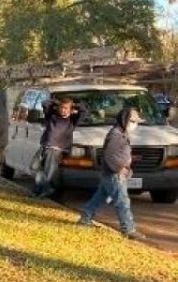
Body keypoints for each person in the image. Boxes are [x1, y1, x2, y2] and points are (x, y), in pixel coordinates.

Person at [77, 106, 147, 240]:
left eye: (136, 122)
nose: (135, 125)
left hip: (109, 174)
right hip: (114, 175)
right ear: (124, 120)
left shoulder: (121, 133)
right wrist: (119, 168)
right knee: (123, 202)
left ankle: (85, 218)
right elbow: (109, 155)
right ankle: (128, 229)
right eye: (132, 122)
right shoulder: (116, 134)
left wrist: (130, 159)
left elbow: (118, 153)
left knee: (98, 198)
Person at [33, 97, 80, 197]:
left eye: (66, 108)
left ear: (71, 110)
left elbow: (85, 111)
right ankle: (44, 188)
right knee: (34, 166)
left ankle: (41, 190)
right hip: (45, 146)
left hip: (56, 149)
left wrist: (75, 105)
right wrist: (56, 102)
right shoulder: (52, 116)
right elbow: (45, 103)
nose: (63, 110)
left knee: (48, 171)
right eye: (62, 108)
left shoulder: (72, 121)